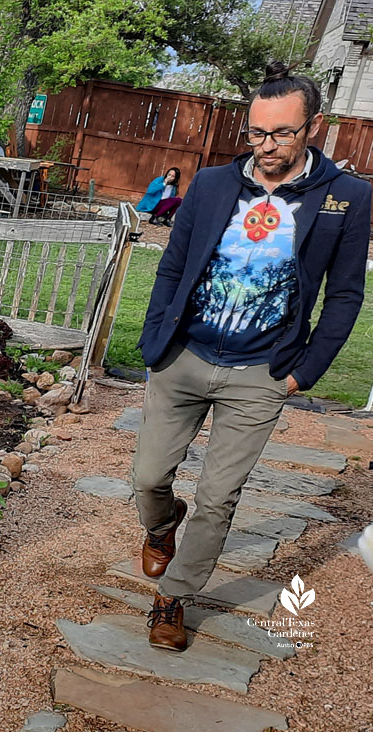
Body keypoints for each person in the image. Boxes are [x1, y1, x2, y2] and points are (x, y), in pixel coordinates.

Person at [132, 61, 370, 652]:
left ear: (313, 127)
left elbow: (344, 294)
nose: (266, 146)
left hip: (262, 371)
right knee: (148, 477)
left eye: (281, 133)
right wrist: (154, 340)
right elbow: (171, 267)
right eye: (257, 133)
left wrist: (303, 371)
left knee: (218, 497)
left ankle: (174, 598)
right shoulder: (213, 185)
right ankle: (162, 526)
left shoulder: (347, 196)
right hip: (183, 356)